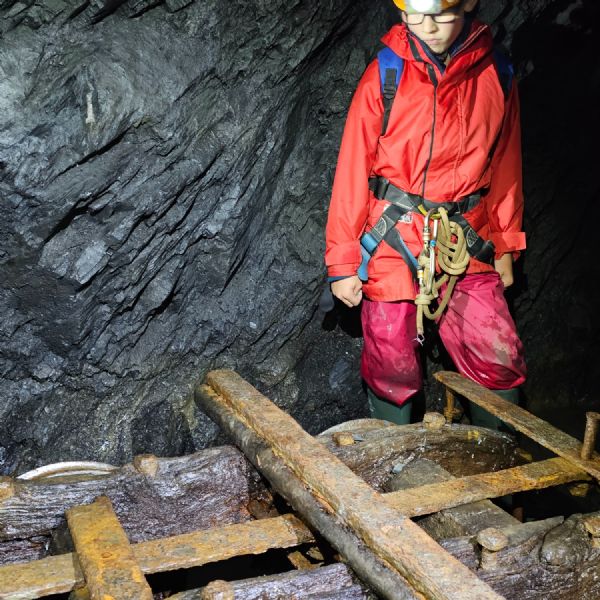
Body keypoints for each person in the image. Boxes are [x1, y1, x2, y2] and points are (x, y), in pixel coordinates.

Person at [325, 0, 527, 427]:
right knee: (391, 357)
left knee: (497, 352)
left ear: (468, 3)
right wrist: (342, 262)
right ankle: (392, 453)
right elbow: (352, 168)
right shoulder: (386, 73)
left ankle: (499, 461)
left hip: (465, 235)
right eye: (413, 14)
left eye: (439, 14)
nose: (426, 26)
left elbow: (506, 164)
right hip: (393, 233)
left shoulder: (497, 74)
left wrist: (506, 243)